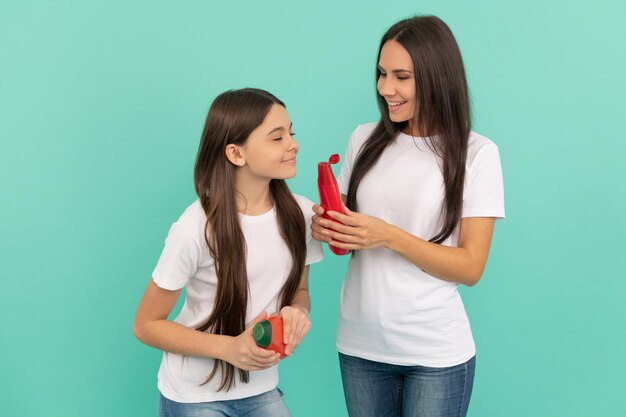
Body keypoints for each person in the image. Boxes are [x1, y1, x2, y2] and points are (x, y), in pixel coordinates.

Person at [311, 16, 505, 417]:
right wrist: (330, 228)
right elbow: (342, 243)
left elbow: (470, 267)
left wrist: (387, 235)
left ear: (437, 76)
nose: (386, 89)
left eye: (402, 76)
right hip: (360, 346)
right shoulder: (362, 139)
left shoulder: (477, 153)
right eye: (382, 74)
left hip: (434, 354)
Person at [134, 88, 323, 417]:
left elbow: (300, 291)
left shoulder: (302, 216)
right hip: (194, 394)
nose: (293, 144)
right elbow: (146, 324)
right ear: (236, 154)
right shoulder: (195, 229)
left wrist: (298, 312)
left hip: (260, 387)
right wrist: (230, 349)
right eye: (277, 138)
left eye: (291, 133)